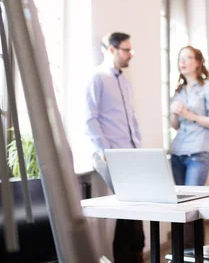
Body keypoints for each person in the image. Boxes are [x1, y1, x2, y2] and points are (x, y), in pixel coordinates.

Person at [84, 32, 144, 263]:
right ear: (111, 50)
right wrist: (106, 151)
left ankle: (133, 255)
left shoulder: (125, 81)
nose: (131, 55)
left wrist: (137, 148)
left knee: (133, 205)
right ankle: (131, 256)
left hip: (130, 154)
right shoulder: (97, 78)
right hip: (109, 155)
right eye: (126, 50)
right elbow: (89, 119)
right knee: (130, 204)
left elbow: (131, 119)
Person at [169, 46, 209, 186]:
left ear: (198, 62)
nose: (182, 62)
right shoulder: (178, 91)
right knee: (180, 202)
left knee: (192, 200)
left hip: (198, 153)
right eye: (180, 59)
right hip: (177, 152)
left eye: (188, 58)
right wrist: (174, 113)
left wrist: (189, 115)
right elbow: (174, 126)